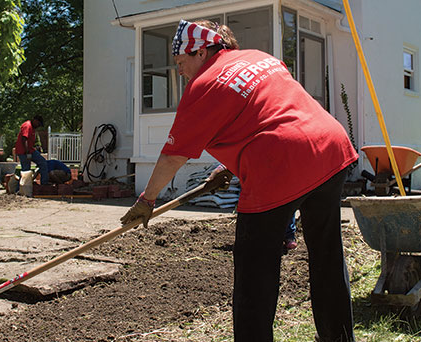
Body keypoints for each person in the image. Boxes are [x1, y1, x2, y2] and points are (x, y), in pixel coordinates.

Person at [120, 19, 358, 342]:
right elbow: (267, 113)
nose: (179, 72)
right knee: (326, 256)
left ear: (201, 52)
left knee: (254, 271)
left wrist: (147, 200)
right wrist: (230, 169)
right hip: (330, 148)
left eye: (180, 62)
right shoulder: (260, 58)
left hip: (279, 165)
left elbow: (173, 156)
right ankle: (339, 338)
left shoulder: (203, 85)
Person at [14, 115, 49, 186]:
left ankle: (44, 184)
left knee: (43, 162)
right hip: (23, 152)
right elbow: (24, 139)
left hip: (30, 150)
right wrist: (27, 153)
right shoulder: (27, 126)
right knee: (26, 171)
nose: (38, 126)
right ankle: (19, 189)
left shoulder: (32, 128)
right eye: (38, 124)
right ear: (35, 120)